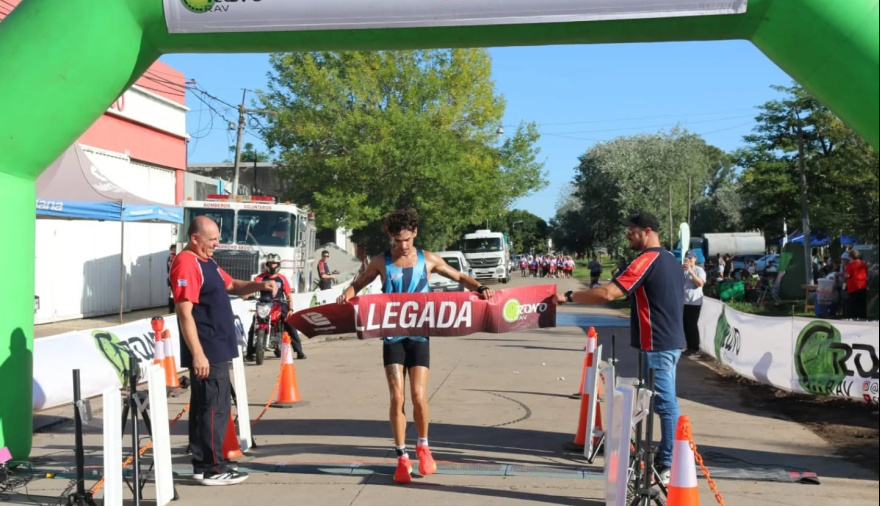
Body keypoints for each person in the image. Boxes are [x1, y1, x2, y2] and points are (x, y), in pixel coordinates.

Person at [337, 208, 495, 484]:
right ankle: (401, 457)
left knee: (419, 397)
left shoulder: (428, 259)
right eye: (397, 241)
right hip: (392, 337)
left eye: (407, 240)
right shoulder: (381, 261)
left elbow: (459, 277)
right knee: (397, 398)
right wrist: (345, 296)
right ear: (391, 237)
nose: (403, 246)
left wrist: (480, 287)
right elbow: (358, 284)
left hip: (419, 336)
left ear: (415, 233)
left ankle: (423, 446)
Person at [555, 211, 684, 485]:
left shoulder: (646, 260)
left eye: (632, 230)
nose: (627, 235)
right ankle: (666, 457)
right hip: (668, 341)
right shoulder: (669, 259)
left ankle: (668, 462)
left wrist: (570, 296)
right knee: (663, 402)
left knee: (665, 404)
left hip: (657, 343)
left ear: (647, 231)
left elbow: (608, 293)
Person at [170, 216, 279, 486]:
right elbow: (184, 312)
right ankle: (213, 468)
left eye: (217, 239)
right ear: (195, 238)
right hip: (207, 348)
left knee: (207, 406)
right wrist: (198, 353)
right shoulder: (187, 262)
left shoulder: (207, 262)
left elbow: (231, 285)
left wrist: (260, 285)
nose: (216, 244)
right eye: (212, 239)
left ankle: (203, 464)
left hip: (217, 347)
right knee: (213, 409)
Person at [246, 253, 306, 361]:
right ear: (267, 264)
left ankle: (299, 351)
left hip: (279, 304)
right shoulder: (260, 277)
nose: (272, 265)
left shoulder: (282, 279)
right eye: (270, 263)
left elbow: (288, 295)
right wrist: (248, 295)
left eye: (274, 263)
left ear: (278, 265)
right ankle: (249, 353)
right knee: (253, 326)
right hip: (264, 305)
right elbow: (251, 289)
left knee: (290, 324)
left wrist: (290, 309)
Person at [682, 250, 706, 358]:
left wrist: (691, 272)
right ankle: (689, 347)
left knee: (692, 325)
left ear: (695, 259)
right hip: (684, 302)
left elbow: (700, 284)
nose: (689, 260)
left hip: (694, 302)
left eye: (690, 258)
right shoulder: (684, 270)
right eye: (687, 258)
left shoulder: (699, 270)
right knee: (685, 325)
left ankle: (695, 349)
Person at [844, 249, 868, 319]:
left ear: (851, 256)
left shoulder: (851, 265)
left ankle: (854, 317)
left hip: (853, 286)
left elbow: (847, 275)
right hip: (863, 285)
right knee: (862, 304)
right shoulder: (863, 264)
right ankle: (863, 317)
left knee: (853, 304)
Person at [167, 244, 177, 314]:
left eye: (175, 249)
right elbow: (170, 266)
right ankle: (171, 310)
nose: (175, 250)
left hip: (176, 279)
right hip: (171, 279)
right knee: (171, 295)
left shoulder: (177, 256)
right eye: (173, 249)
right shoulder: (170, 257)